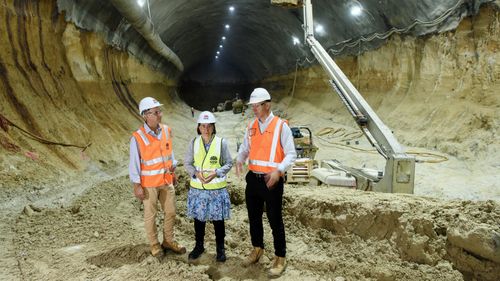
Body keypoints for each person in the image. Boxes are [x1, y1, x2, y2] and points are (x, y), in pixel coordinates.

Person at [236, 88, 297, 277]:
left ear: (267, 105)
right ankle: (257, 249)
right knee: (254, 218)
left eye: (257, 105)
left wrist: (279, 171)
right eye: (252, 106)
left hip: (271, 181)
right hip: (253, 180)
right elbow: (246, 148)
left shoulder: (281, 126)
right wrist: (239, 159)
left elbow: (291, 154)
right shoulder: (252, 126)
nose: (254, 108)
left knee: (275, 220)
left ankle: (281, 257)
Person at [129, 97, 186, 258]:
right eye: (155, 112)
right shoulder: (137, 138)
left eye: (159, 111)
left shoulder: (166, 130)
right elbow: (134, 163)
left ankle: (168, 241)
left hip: (166, 181)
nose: (159, 115)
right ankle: (154, 245)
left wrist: (173, 170)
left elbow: (169, 153)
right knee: (150, 216)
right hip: (149, 185)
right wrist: (137, 185)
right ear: (145, 115)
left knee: (171, 212)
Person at [184, 111, 233, 262]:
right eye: (202, 126)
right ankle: (199, 246)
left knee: (218, 222)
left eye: (209, 126)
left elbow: (228, 163)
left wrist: (217, 172)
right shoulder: (194, 142)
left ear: (213, 127)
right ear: (198, 127)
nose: (205, 129)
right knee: (199, 221)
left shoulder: (221, 143)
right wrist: (195, 173)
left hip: (216, 191)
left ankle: (220, 249)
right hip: (198, 191)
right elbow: (187, 163)